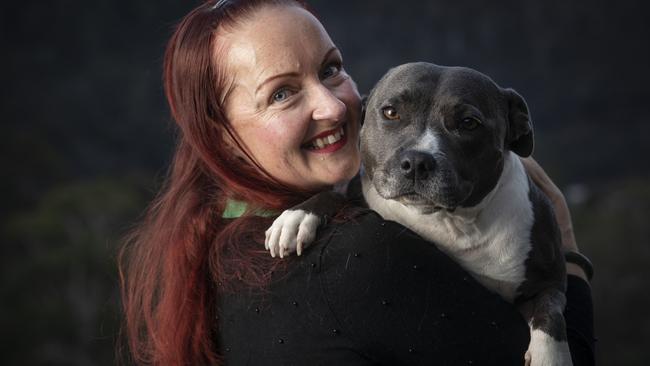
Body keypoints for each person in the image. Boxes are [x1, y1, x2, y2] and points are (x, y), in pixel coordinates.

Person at [119, 0, 595, 365]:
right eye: (281, 93)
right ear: (218, 135)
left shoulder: (221, 245)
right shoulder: (363, 257)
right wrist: (567, 252)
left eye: (331, 69)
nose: (334, 107)